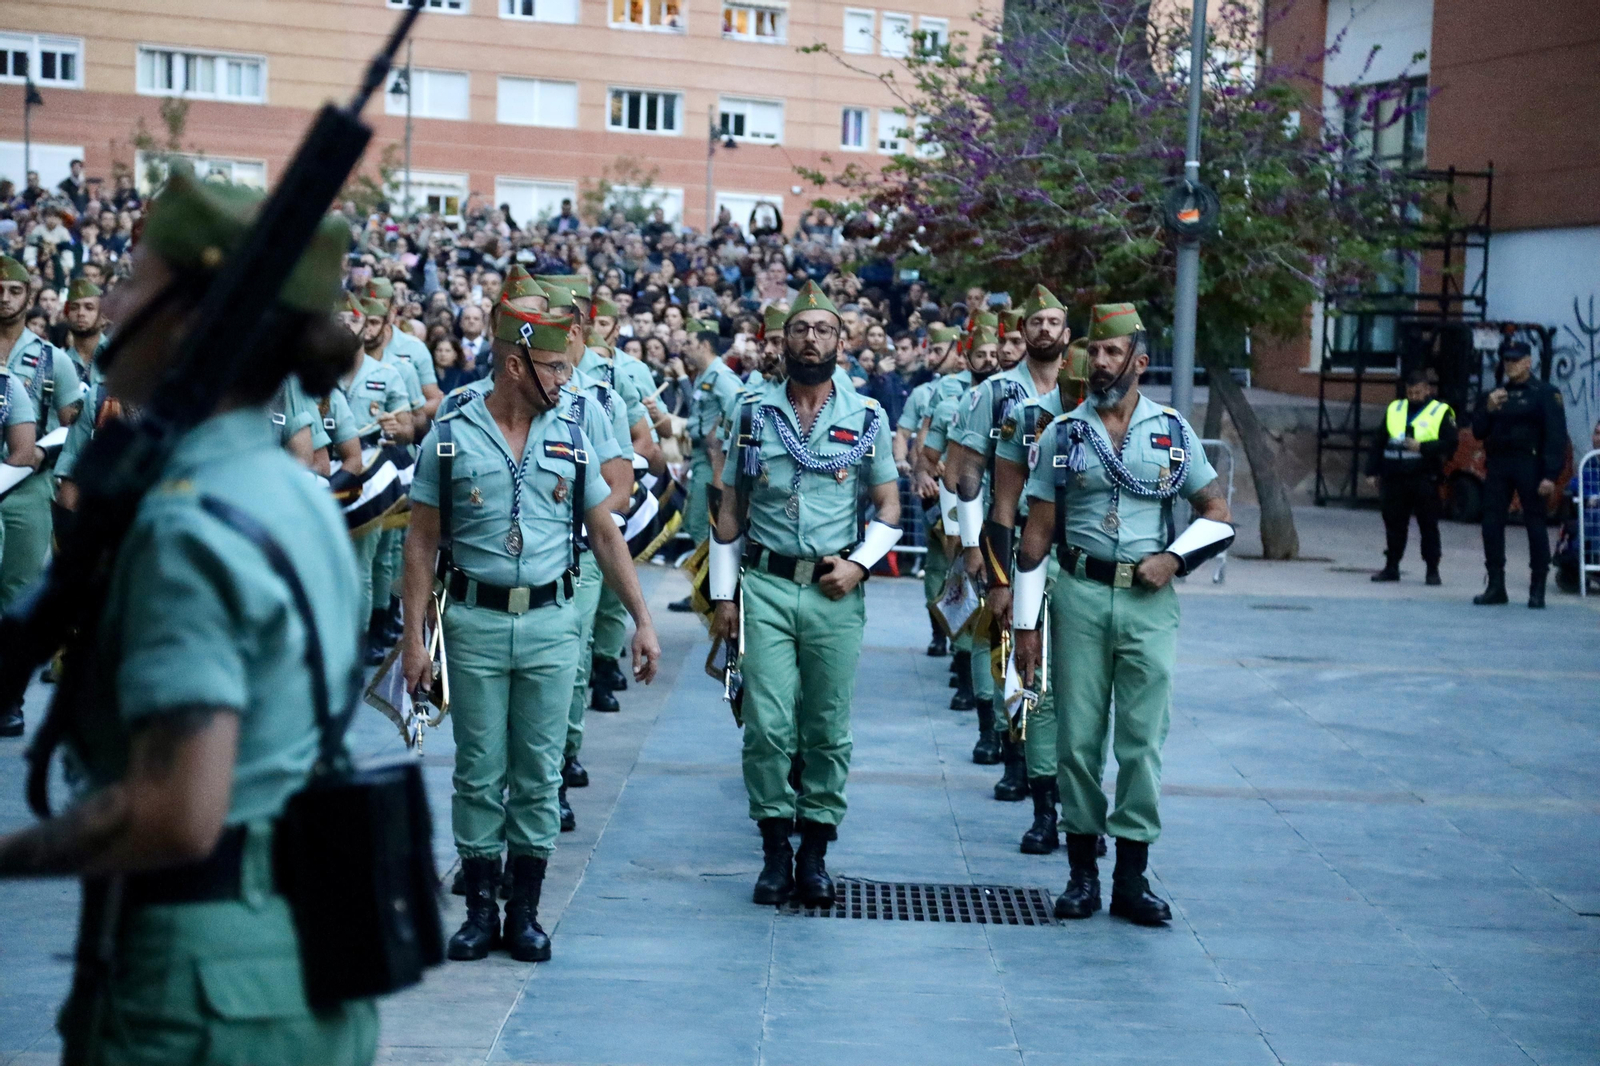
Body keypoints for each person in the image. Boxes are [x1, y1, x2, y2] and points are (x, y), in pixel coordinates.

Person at [0, 171, 380, 1060]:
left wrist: (14, 855)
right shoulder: (292, 491)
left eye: (133, 278)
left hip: (198, 992)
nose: (111, 298)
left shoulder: (187, 523)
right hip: (309, 958)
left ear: (186, 320)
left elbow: (177, 809)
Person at [402, 304, 660, 963]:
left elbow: (604, 531)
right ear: (515, 365)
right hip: (474, 620)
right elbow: (421, 540)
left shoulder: (573, 429)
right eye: (554, 366)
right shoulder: (454, 432)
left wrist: (642, 618)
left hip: (552, 620)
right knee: (478, 770)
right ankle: (480, 909)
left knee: (540, 772)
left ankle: (525, 910)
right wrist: (412, 640)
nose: (565, 377)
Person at [1012, 302, 1232, 926]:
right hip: (1079, 594)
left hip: (1147, 600)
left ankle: (1131, 878)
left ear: (1139, 361)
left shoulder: (1172, 432)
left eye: (1113, 353)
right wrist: (1026, 626)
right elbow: (1036, 535)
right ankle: (1082, 873)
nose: (1100, 363)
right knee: (1079, 740)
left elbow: (1216, 513)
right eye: (1095, 352)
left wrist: (1175, 559)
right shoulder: (1063, 434)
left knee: (1142, 742)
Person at [709, 281, 901, 907]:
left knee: (827, 725)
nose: (810, 338)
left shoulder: (867, 415)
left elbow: (887, 505)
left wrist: (861, 566)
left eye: (822, 329)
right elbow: (731, 505)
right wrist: (723, 595)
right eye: (800, 329)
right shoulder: (751, 412)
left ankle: (815, 852)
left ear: (841, 342)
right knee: (766, 724)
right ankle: (774, 850)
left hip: (833, 591)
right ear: (780, 339)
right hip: (764, 583)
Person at [951, 285, 1085, 844]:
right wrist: (974, 549)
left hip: (1078, 550)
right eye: (1037, 323)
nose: (1046, 331)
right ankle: (1023, 770)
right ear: (1022, 333)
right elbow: (966, 471)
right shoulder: (998, 394)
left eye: (1056, 322)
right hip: (1019, 544)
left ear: (1067, 334)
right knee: (1020, 664)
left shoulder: (1085, 392)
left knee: (1077, 684)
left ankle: (1073, 802)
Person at [1470, 342, 1565, 608]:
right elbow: (1478, 431)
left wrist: (1550, 475)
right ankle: (1496, 585)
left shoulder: (1544, 393)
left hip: (1530, 464)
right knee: (1491, 523)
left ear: (1527, 362)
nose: (1510, 365)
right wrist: (1487, 408)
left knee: (1534, 523)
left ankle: (1537, 588)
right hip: (1499, 463)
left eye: (1515, 360)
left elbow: (1555, 437)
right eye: (1507, 360)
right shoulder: (1496, 394)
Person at [667, 318, 742, 612]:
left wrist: (718, 443)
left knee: (703, 523)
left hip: (714, 461)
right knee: (698, 522)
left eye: (690, 343)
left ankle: (712, 591)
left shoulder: (722, 377)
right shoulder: (704, 375)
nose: (684, 349)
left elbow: (736, 411)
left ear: (706, 345)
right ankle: (707, 589)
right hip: (700, 458)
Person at [1367, 369, 1457, 585]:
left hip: (1423, 476)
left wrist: (1423, 447)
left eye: (1418, 392)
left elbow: (1450, 443)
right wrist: (1371, 471)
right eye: (1410, 392)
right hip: (1394, 476)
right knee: (1394, 524)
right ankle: (1391, 567)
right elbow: (1379, 440)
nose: (1414, 396)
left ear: (1428, 390)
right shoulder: (1395, 408)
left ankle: (1432, 570)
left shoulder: (1441, 411)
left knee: (1428, 525)